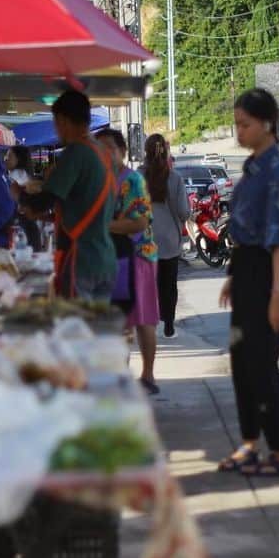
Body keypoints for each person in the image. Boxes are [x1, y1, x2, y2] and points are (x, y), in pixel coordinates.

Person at [216, 89, 279, 477]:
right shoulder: (251, 168)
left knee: (262, 366)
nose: (239, 131)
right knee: (240, 363)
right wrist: (233, 276)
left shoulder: (277, 171)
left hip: (268, 271)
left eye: (244, 124)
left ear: (266, 124)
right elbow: (242, 232)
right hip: (247, 267)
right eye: (236, 124)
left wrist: (277, 295)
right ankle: (250, 444)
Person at [22, 90, 116, 301]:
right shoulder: (102, 152)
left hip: (81, 259)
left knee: (78, 331)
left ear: (63, 120)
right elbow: (84, 202)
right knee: (98, 331)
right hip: (105, 258)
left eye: (55, 123)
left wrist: (19, 194)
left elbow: (43, 201)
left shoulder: (76, 152)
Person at [97, 129, 159, 393]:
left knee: (142, 317)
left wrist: (101, 226)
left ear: (122, 151)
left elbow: (139, 223)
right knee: (118, 320)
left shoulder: (132, 180)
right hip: (112, 257)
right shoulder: (101, 181)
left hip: (138, 257)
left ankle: (147, 376)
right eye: (100, 149)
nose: (105, 154)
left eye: (110, 147)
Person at [143, 134, 192, 339]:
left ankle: (148, 322)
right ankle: (169, 323)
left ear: (145, 152)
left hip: (144, 240)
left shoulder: (137, 177)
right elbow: (183, 211)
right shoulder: (175, 178)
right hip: (170, 241)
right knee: (168, 285)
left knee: (148, 285)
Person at [6, 146, 43, 251]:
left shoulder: (15, 176)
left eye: (9, 156)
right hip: (31, 225)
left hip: (21, 226)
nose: (6, 158)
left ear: (19, 159)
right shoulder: (25, 174)